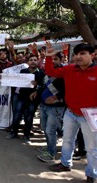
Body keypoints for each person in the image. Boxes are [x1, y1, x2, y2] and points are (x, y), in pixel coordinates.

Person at [45, 42, 97, 183]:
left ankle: (92, 174)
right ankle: (65, 163)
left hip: (90, 117)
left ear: (92, 55)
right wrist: (48, 57)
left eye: (83, 54)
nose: (78, 57)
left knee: (92, 148)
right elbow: (51, 72)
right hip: (70, 113)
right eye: (76, 54)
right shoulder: (69, 69)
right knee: (67, 140)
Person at [7, 54, 45, 144]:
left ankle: (26, 135)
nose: (33, 61)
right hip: (21, 97)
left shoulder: (41, 73)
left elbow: (44, 86)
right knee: (17, 115)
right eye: (31, 60)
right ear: (27, 62)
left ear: (37, 62)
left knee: (29, 117)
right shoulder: (23, 71)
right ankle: (14, 133)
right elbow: (16, 81)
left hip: (33, 99)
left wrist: (37, 86)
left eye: (35, 60)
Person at [37, 52, 66, 162]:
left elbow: (68, 90)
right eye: (52, 59)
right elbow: (45, 86)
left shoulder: (64, 73)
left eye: (56, 59)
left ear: (61, 59)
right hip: (44, 105)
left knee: (50, 130)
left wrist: (56, 98)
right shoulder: (48, 73)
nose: (53, 61)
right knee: (45, 128)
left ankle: (51, 153)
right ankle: (49, 146)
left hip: (55, 108)